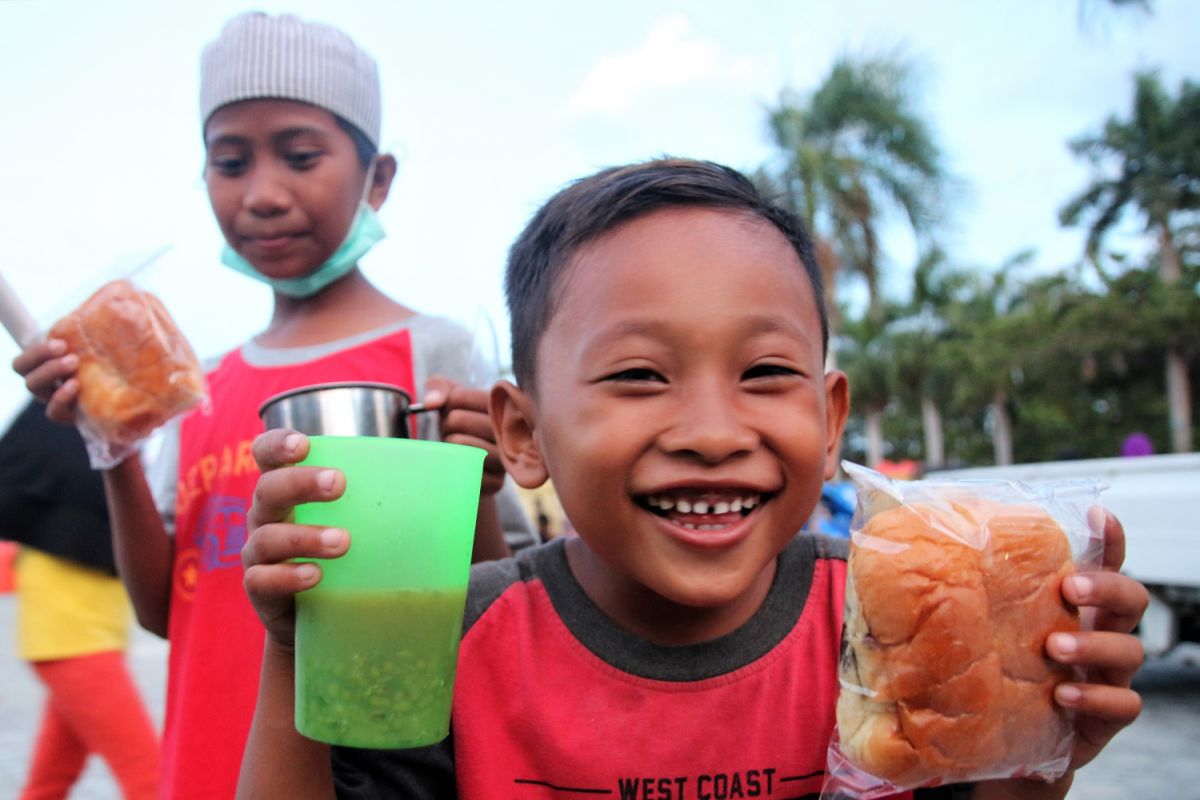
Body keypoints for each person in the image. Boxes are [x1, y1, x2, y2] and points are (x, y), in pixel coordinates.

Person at [236, 158, 1149, 799]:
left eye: (764, 373)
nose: (714, 433)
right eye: (638, 375)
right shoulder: (449, 639)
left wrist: (1041, 744)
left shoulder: (889, 616)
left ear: (830, 421)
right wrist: (296, 649)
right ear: (522, 431)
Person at [12, 12, 533, 799]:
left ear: (378, 178)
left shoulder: (435, 354)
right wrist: (109, 438)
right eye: (228, 162)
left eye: (299, 156)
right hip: (199, 769)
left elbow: (499, 608)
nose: (260, 194)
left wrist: (479, 490)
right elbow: (164, 611)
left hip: (368, 781)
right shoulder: (199, 384)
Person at [0, 400, 160, 799]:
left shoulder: (111, 443)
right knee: (152, 778)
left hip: (88, 638)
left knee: (49, 782)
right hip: (73, 640)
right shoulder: (62, 433)